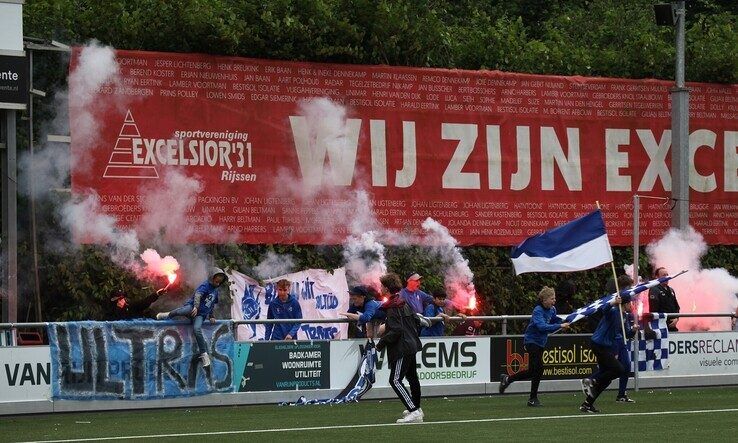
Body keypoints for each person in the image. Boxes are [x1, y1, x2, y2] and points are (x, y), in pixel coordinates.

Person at [498, 286, 570, 406]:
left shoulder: (552, 309)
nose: (554, 301)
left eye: (554, 298)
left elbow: (553, 320)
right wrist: (560, 326)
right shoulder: (537, 311)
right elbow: (542, 327)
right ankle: (532, 398)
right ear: (544, 300)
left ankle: (507, 379)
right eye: (552, 298)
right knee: (539, 369)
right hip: (531, 342)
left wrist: (564, 321)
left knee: (532, 371)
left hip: (540, 343)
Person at [375, 272, 423, 424]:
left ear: (387, 288)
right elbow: (415, 320)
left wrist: (380, 344)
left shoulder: (393, 307)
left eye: (382, 286)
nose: (380, 288)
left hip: (402, 347)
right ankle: (416, 407)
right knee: (412, 378)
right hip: (411, 344)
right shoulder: (403, 301)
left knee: (395, 380)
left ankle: (414, 411)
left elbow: (397, 330)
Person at [580, 293, 638, 413]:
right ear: (625, 303)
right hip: (599, 344)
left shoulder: (624, 316)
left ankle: (587, 404)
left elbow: (626, 334)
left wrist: (633, 330)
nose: (631, 305)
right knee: (619, 369)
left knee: (607, 378)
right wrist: (613, 302)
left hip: (606, 346)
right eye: (630, 303)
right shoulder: (613, 311)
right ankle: (592, 380)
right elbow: (603, 309)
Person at [156, 268, 227, 367]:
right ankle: (167, 315)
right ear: (212, 278)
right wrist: (196, 307)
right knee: (182, 311)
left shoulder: (215, 292)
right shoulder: (205, 285)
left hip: (201, 315)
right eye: (217, 280)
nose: (218, 282)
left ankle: (204, 354)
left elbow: (211, 304)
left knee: (197, 329)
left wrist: (211, 316)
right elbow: (198, 295)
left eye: (220, 281)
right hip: (192, 307)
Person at [649, 267, 681, 331]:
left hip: (672, 326)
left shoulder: (671, 290)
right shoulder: (654, 290)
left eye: (667, 275)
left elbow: (676, 306)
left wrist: (676, 318)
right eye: (664, 275)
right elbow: (654, 309)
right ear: (657, 277)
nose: (666, 277)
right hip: (661, 326)